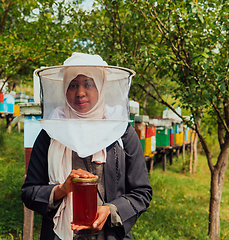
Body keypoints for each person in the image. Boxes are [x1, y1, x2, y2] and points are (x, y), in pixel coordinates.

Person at [21, 52, 152, 240]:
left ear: (101, 87)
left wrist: (110, 210)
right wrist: (61, 189)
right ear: (64, 89)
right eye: (73, 85)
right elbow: (29, 192)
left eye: (89, 84)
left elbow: (142, 192)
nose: (80, 92)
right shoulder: (51, 133)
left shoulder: (121, 132)